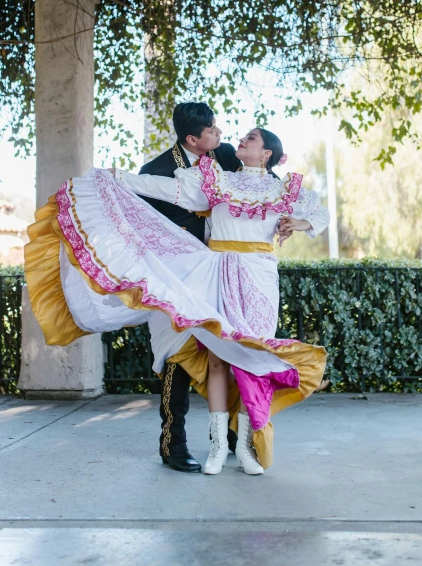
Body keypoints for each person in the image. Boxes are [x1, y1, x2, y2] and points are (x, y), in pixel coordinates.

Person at [24, 127, 329, 475]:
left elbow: (320, 213)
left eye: (252, 138)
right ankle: (216, 449)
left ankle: (243, 447)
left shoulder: (284, 189)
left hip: (260, 276)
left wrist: (299, 222)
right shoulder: (216, 181)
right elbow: (167, 189)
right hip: (217, 273)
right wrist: (118, 178)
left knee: (252, 360)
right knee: (217, 360)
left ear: (268, 154)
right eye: (243, 137)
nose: (242, 140)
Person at [139, 102, 242, 473]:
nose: (219, 133)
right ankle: (173, 445)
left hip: (221, 273)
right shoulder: (156, 171)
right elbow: (142, 230)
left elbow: (260, 184)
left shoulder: (225, 156)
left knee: (230, 352)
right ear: (191, 138)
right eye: (211, 128)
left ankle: (233, 438)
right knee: (177, 355)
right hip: (174, 278)